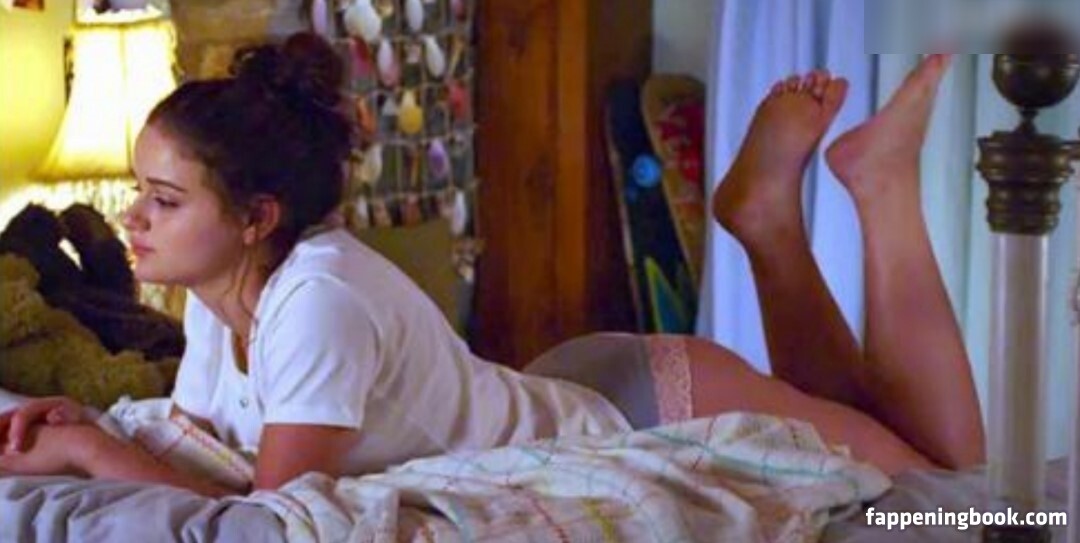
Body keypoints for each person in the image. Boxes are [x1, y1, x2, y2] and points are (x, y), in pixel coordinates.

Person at [0, 33, 984, 497]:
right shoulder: (222, 301)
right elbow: (201, 445)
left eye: (164, 200)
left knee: (952, 495)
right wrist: (85, 421)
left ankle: (876, 189)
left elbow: (274, 521)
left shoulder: (318, 300)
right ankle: (768, 220)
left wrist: (99, 454)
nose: (133, 218)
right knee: (887, 465)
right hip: (556, 393)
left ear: (257, 217)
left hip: (644, 408)